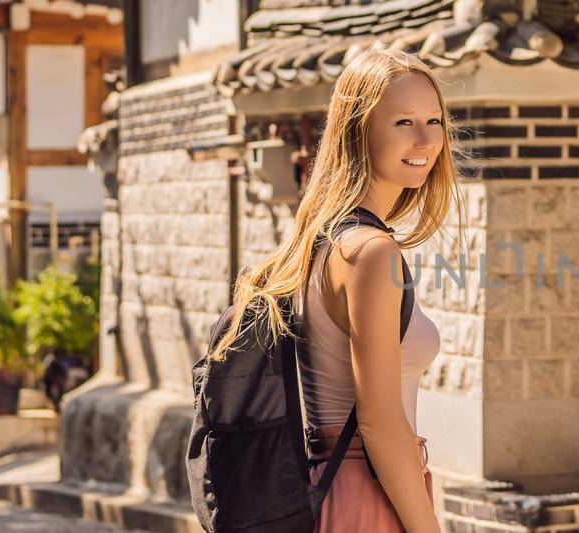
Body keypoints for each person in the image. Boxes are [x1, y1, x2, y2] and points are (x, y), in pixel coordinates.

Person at [207, 48, 458, 533]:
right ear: (359, 130)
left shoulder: (321, 242)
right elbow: (381, 425)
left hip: (330, 486)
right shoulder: (371, 253)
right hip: (369, 492)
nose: (426, 139)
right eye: (403, 121)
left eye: (435, 120)